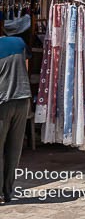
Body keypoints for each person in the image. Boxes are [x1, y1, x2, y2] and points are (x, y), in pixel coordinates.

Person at [0, 16, 31, 205]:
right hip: (22, 100)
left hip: (2, 103)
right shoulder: (20, 43)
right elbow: (25, 69)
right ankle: (8, 191)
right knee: (13, 150)